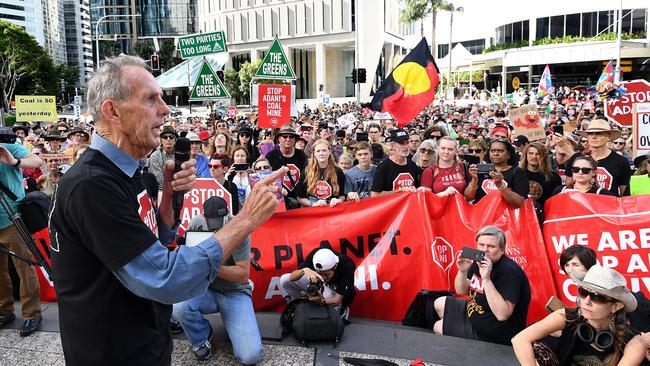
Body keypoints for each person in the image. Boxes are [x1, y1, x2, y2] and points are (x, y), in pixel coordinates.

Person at [49, 55, 285, 366]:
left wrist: (170, 196)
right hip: (114, 352)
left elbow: (153, 238)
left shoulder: (130, 170)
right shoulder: (92, 186)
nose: (165, 110)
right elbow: (165, 277)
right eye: (150, 99)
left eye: (161, 98)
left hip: (145, 339)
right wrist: (245, 220)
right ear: (113, 111)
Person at [173, 197, 261, 363]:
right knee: (178, 305)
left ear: (227, 215)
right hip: (205, 288)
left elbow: (243, 275)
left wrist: (211, 264)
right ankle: (201, 337)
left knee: (250, 356)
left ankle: (236, 321)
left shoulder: (239, 228)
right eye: (212, 221)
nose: (216, 226)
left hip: (234, 291)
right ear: (204, 217)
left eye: (219, 222)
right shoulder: (196, 223)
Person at [511, 265, 648, 366]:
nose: (587, 302)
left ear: (616, 306)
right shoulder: (567, 317)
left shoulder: (632, 341)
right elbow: (519, 340)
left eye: (597, 297)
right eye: (583, 292)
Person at [434, 226, 531, 345]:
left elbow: (503, 315)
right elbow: (462, 290)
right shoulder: (479, 260)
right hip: (477, 311)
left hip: (495, 332)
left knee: (438, 327)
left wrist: (486, 279)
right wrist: (462, 271)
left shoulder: (509, 272)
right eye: (481, 245)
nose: (485, 250)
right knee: (438, 302)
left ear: (502, 250)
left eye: (491, 246)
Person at [0, 127, 44, 337]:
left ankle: (32, 314)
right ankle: (4, 310)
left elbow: (36, 162)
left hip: (12, 218)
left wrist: (13, 161)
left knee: (25, 268)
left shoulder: (7, 146)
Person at [280, 247, 356, 319]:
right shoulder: (316, 255)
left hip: (336, 293)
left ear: (335, 267)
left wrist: (321, 301)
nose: (322, 277)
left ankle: (342, 310)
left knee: (326, 321)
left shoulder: (347, 266)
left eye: (326, 274)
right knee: (284, 279)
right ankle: (298, 306)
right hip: (319, 285)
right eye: (319, 273)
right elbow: (291, 278)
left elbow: (337, 299)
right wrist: (304, 270)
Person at [466, 139, 529, 208]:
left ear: (508, 154)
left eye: (500, 151)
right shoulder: (480, 169)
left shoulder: (518, 172)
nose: (496, 154)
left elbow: (519, 203)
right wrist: (474, 179)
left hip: (505, 217)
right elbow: (468, 197)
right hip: (481, 215)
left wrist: (501, 186)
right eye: (492, 151)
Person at [575, 119, 630, 196]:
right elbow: (570, 186)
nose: (594, 137)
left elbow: (624, 194)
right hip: (580, 205)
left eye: (599, 133)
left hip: (610, 206)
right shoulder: (577, 159)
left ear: (609, 137)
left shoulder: (621, 161)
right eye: (590, 133)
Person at [266, 125, 308, 209]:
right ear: (279, 139)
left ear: (295, 139)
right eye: (285, 136)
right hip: (277, 202)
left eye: (291, 137)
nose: (288, 139)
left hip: (298, 203)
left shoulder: (302, 156)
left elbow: (307, 178)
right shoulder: (271, 155)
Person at [296, 139, 346, 207]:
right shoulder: (306, 171)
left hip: (332, 211)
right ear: (314, 153)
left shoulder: (338, 171)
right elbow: (300, 198)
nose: (321, 153)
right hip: (313, 212)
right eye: (318, 151)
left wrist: (338, 200)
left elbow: (342, 195)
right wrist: (313, 204)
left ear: (329, 151)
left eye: (324, 150)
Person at [371, 129, 422, 196]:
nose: (406, 146)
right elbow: (375, 195)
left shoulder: (412, 165)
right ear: (392, 146)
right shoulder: (383, 167)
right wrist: (400, 191)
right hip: (391, 205)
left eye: (407, 142)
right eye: (402, 143)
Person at [551, 155, 616, 196]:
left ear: (594, 172)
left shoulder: (603, 194)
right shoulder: (560, 190)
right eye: (576, 169)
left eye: (585, 170)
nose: (580, 172)